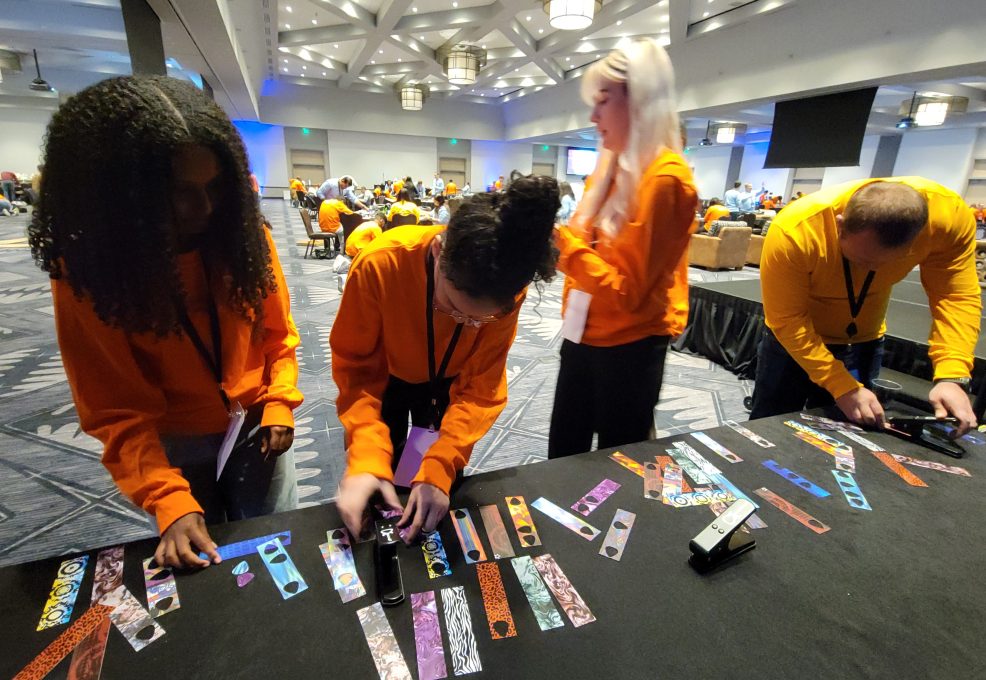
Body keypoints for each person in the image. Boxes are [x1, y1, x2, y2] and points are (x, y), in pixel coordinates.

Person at [28, 75, 304, 569]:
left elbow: (278, 337)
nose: (203, 208)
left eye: (215, 186)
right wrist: (165, 498)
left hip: (255, 427)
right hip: (171, 443)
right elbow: (114, 409)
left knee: (274, 551)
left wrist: (279, 401)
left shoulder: (241, 237)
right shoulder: (91, 270)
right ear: (120, 195)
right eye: (179, 192)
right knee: (203, 567)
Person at [332, 176, 560, 541]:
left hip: (447, 384)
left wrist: (441, 465)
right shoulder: (381, 264)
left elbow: (482, 387)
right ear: (439, 250)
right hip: (386, 377)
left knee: (431, 486)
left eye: (479, 320)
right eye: (452, 307)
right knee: (378, 476)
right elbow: (357, 372)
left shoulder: (507, 287)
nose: (466, 323)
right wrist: (365, 454)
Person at [547, 38, 697, 459]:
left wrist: (567, 248)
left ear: (640, 102)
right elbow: (590, 251)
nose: (593, 116)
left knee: (620, 465)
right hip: (582, 332)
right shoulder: (610, 164)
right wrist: (570, 248)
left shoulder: (665, 181)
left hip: (629, 348)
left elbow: (628, 293)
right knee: (564, 455)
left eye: (603, 102)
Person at [750, 178, 980, 435]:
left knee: (849, 435)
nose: (873, 270)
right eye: (863, 260)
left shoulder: (948, 219)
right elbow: (788, 319)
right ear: (840, 226)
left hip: (864, 341)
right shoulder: (796, 230)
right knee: (769, 427)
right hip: (793, 343)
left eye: (890, 262)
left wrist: (952, 374)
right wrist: (841, 385)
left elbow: (955, 296)